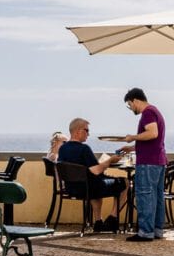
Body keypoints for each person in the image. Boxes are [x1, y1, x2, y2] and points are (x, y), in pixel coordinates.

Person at [57, 118, 128, 233]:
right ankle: (113, 218)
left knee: (94, 182)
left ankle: (98, 222)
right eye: (86, 130)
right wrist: (110, 160)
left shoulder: (63, 149)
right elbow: (96, 170)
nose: (88, 134)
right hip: (88, 189)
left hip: (72, 188)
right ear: (77, 131)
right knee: (124, 182)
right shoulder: (84, 149)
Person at [118, 88, 168, 242]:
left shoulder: (147, 113)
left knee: (145, 195)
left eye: (129, 105)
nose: (131, 108)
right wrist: (133, 147)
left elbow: (152, 133)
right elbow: (152, 140)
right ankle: (157, 230)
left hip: (148, 162)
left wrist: (132, 137)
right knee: (157, 196)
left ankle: (146, 232)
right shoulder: (156, 111)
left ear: (135, 100)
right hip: (158, 161)